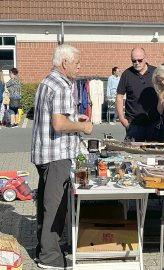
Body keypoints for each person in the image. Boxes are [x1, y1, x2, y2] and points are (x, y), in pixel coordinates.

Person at [31, 44, 93, 269]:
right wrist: (81, 127)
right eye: (77, 63)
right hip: (57, 154)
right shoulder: (61, 86)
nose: (80, 66)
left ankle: (45, 250)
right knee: (55, 209)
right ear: (65, 63)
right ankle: (50, 259)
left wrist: (75, 117)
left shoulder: (49, 81)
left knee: (47, 206)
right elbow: (58, 124)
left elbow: (54, 115)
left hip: (46, 153)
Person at [116, 48, 160, 142]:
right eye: (133, 61)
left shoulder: (156, 72)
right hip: (133, 124)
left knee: (154, 153)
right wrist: (121, 118)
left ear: (145, 59)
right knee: (132, 154)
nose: (137, 63)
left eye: (140, 60)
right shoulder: (127, 74)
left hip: (154, 122)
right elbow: (119, 96)